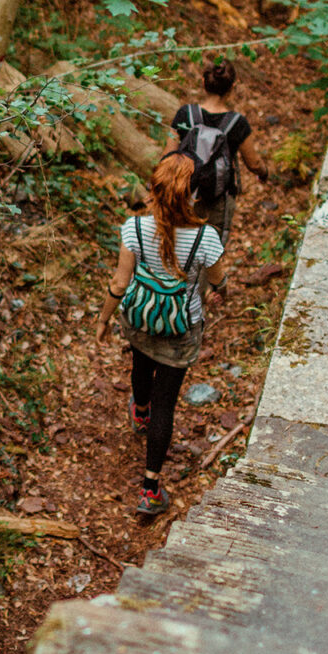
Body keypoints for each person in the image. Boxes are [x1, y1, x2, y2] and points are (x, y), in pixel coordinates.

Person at [95, 153, 228, 517]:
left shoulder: (133, 229)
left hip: (139, 320)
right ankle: (150, 490)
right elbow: (217, 281)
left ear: (153, 191)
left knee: (140, 363)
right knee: (166, 403)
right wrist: (222, 290)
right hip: (181, 330)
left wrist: (104, 320)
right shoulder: (206, 237)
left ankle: (139, 413)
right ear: (194, 196)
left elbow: (120, 282)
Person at [170, 61, 271, 244]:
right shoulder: (237, 123)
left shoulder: (185, 114)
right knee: (209, 253)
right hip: (217, 200)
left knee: (181, 249)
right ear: (232, 87)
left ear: (203, 82)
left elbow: (167, 155)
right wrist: (264, 173)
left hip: (184, 195)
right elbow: (254, 163)